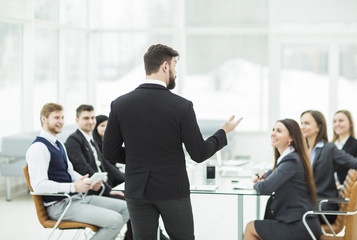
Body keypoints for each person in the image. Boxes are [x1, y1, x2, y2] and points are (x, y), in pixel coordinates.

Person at [103, 44, 242, 240]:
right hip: (172, 190)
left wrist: (137, 160)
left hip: (137, 190)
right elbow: (199, 153)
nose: (176, 72)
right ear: (165, 66)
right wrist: (223, 132)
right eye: (175, 66)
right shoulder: (181, 107)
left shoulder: (120, 104)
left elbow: (109, 152)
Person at [26, 103, 129, 240]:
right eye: (56, 117)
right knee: (115, 221)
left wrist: (89, 182)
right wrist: (73, 186)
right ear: (44, 119)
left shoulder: (58, 144)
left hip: (78, 198)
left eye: (62, 117)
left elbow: (70, 171)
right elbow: (38, 186)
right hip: (60, 205)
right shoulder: (39, 148)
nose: (61, 122)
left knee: (127, 208)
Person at [244, 119, 321, 240]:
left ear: (291, 138)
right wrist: (264, 175)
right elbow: (275, 173)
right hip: (296, 220)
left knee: (251, 227)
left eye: (279, 131)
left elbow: (264, 188)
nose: (273, 134)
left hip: (300, 226)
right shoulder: (290, 158)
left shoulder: (291, 161)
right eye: (273, 130)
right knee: (254, 227)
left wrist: (255, 184)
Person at [300, 110, 357, 223]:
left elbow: (356, 163)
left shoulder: (329, 148)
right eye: (301, 123)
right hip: (307, 202)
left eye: (307, 123)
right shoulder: (302, 151)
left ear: (318, 127)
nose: (302, 127)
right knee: (277, 206)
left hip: (322, 205)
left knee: (285, 213)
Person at [65, 104, 125, 198]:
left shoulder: (91, 140)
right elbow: (83, 168)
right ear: (77, 121)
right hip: (93, 191)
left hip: (105, 185)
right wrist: (108, 190)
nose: (90, 121)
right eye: (86, 118)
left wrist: (126, 180)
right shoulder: (73, 141)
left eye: (93, 118)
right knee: (128, 201)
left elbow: (106, 165)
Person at [332, 110, 357, 184]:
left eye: (341, 121)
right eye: (334, 121)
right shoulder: (330, 145)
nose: (337, 124)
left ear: (350, 123)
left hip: (347, 192)